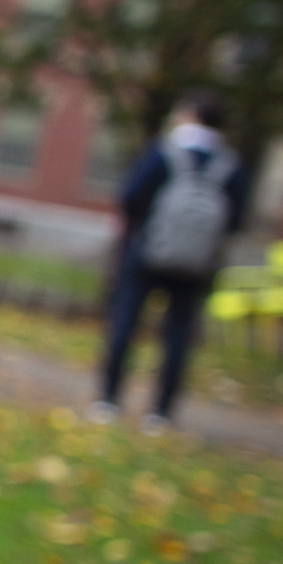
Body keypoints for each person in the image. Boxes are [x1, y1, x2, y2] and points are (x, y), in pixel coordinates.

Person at [93, 88, 250, 433]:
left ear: (189, 113)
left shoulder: (164, 152)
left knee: (126, 324)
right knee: (178, 335)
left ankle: (108, 400)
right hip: (196, 264)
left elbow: (130, 197)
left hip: (147, 253)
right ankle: (160, 413)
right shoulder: (230, 165)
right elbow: (237, 219)